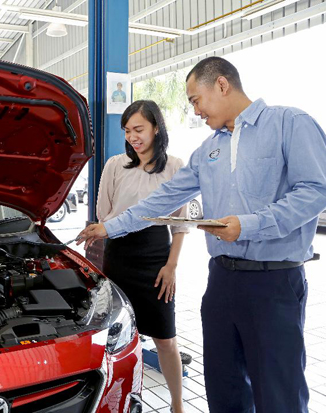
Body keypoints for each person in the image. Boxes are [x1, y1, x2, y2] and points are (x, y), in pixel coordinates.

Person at [77, 56, 326, 413]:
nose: (195, 111)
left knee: (278, 391)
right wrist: (109, 226)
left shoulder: (290, 123)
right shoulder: (209, 148)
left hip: (274, 281)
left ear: (221, 84)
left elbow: (316, 191)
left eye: (196, 99)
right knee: (224, 388)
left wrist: (249, 224)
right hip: (222, 281)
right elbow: (163, 198)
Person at [96, 100, 188, 413]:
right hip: (119, 256)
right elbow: (104, 215)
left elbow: (180, 224)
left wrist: (171, 266)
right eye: (127, 131)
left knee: (165, 339)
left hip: (156, 257)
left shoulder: (175, 166)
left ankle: (177, 405)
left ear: (156, 129)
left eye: (139, 129)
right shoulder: (114, 165)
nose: (132, 136)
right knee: (119, 338)